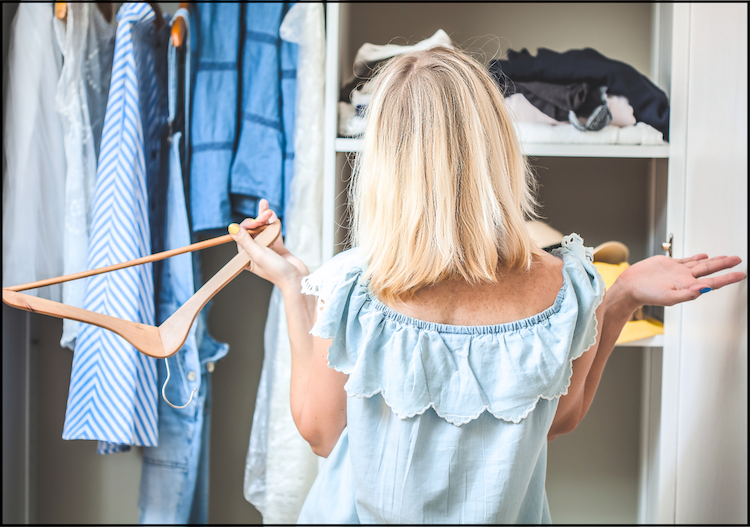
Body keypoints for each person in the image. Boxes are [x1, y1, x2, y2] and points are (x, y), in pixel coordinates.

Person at [228, 47, 746, 524]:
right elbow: (559, 417)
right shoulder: (568, 285)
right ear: (496, 148)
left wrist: (295, 287)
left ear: (384, 162)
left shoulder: (352, 284)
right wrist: (623, 294)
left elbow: (323, 433)